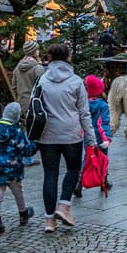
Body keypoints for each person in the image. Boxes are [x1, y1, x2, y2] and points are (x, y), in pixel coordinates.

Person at [37, 43, 98, 233]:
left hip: (47, 134)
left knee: (50, 174)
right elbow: (84, 113)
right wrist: (92, 139)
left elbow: (35, 107)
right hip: (71, 134)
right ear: (68, 58)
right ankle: (64, 205)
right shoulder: (76, 81)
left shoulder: (42, 81)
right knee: (73, 169)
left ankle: (49, 221)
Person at [0, 102, 38, 235]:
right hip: (14, 169)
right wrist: (35, 145)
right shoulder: (17, 131)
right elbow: (26, 150)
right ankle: (23, 213)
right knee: (18, 192)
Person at [74, 74, 112, 197]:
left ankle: (79, 183)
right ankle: (103, 181)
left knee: (87, 158)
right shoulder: (103, 105)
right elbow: (103, 123)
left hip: (87, 136)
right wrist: (107, 138)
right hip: (100, 137)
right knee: (103, 159)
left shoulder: (83, 104)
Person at [11, 39, 45, 166]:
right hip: (34, 102)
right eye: (37, 49)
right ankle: (27, 157)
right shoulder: (38, 68)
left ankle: (24, 156)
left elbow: (14, 85)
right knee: (34, 129)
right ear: (33, 51)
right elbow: (42, 86)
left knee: (25, 128)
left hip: (21, 101)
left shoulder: (17, 68)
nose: (39, 51)